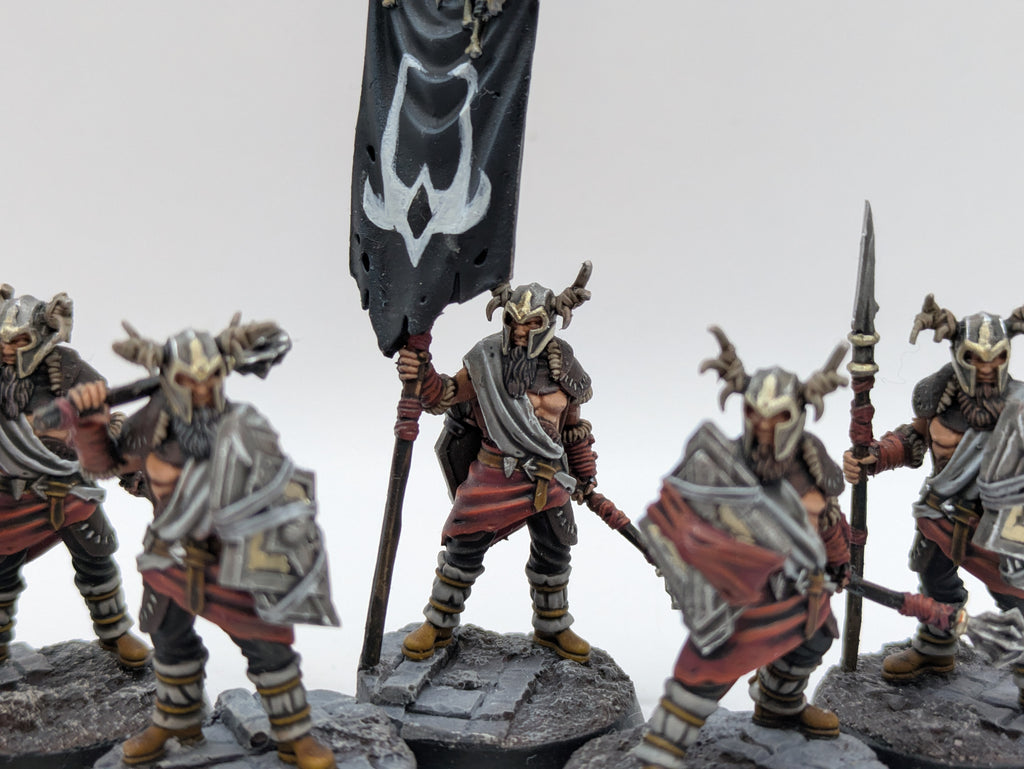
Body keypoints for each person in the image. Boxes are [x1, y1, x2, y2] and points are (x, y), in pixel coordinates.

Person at [63, 319, 338, 769]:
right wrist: (91, 423)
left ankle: (294, 734)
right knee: (169, 641)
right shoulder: (152, 422)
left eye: (210, 378)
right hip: (170, 558)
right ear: (170, 379)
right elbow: (106, 466)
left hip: (236, 563)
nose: (202, 390)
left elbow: (281, 495)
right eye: (188, 380)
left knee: (268, 647)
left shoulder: (246, 425)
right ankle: (177, 722)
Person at [634, 328, 851, 769]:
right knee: (706, 669)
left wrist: (840, 562)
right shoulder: (721, 465)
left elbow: (828, 520)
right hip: (741, 594)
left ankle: (778, 703)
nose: (765, 427)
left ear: (798, 416)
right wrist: (682, 556)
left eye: (778, 417)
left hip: (800, 589)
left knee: (815, 639)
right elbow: (682, 514)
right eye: (755, 414)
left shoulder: (811, 466)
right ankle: (662, 749)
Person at [396, 264, 600, 663]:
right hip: (494, 474)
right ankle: (438, 622)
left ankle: (553, 626)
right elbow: (443, 396)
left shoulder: (564, 366)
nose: (520, 331)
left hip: (549, 478)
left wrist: (586, 476)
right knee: (462, 547)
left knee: (555, 552)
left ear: (548, 323)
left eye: (531, 323)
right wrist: (421, 372)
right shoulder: (486, 359)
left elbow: (574, 429)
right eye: (513, 322)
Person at [843, 295, 1024, 694]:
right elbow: (914, 440)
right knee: (934, 579)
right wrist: (873, 457)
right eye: (975, 357)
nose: (987, 368)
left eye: (996, 357)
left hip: (999, 528)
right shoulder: (940, 401)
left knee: (1015, 597)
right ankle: (936, 646)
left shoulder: (1020, 408)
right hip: (941, 517)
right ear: (959, 354)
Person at [0, 286, 147, 667]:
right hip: (7, 495)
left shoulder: (66, 369)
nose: (7, 349)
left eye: (18, 340)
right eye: (2, 339)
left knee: (96, 555)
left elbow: (105, 418)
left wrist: (121, 457)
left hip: (65, 489)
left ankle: (114, 630)